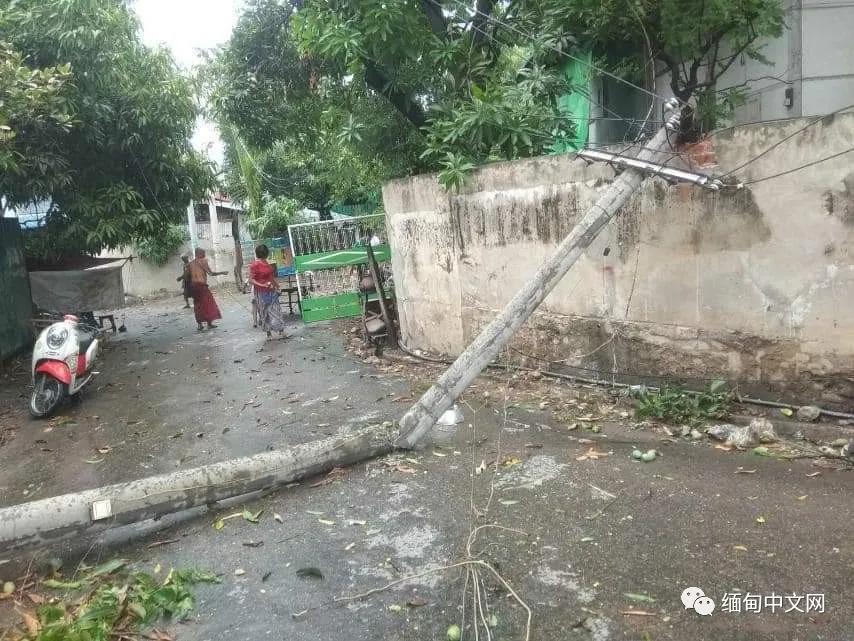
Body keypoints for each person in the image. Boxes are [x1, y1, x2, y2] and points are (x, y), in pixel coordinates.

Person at [248, 244, 286, 339]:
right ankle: (269, 333)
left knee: (276, 311)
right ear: (266, 253)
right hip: (261, 292)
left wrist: (277, 286)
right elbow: (251, 280)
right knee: (264, 312)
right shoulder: (255, 264)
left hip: (271, 290)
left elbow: (271, 277)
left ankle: (281, 331)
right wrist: (262, 285)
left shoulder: (266, 262)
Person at [188, 248, 228, 331]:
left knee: (197, 305)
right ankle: (209, 324)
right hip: (202, 286)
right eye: (203, 253)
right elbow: (211, 273)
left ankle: (199, 325)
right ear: (199, 254)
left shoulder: (190, 264)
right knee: (208, 304)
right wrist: (222, 272)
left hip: (194, 286)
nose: (204, 255)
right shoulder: (203, 261)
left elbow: (186, 276)